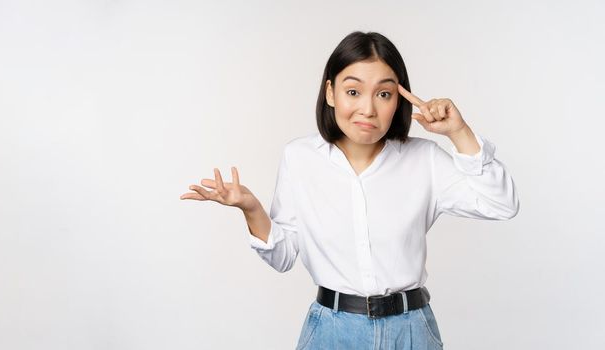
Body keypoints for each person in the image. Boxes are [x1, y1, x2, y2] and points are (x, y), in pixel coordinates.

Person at [179, 31, 520, 349]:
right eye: (353, 91)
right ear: (330, 92)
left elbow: (502, 204)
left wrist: (458, 131)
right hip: (331, 331)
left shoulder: (424, 159)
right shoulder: (300, 158)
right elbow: (283, 258)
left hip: (411, 331)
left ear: (398, 99)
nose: (368, 109)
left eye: (383, 94)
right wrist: (251, 208)